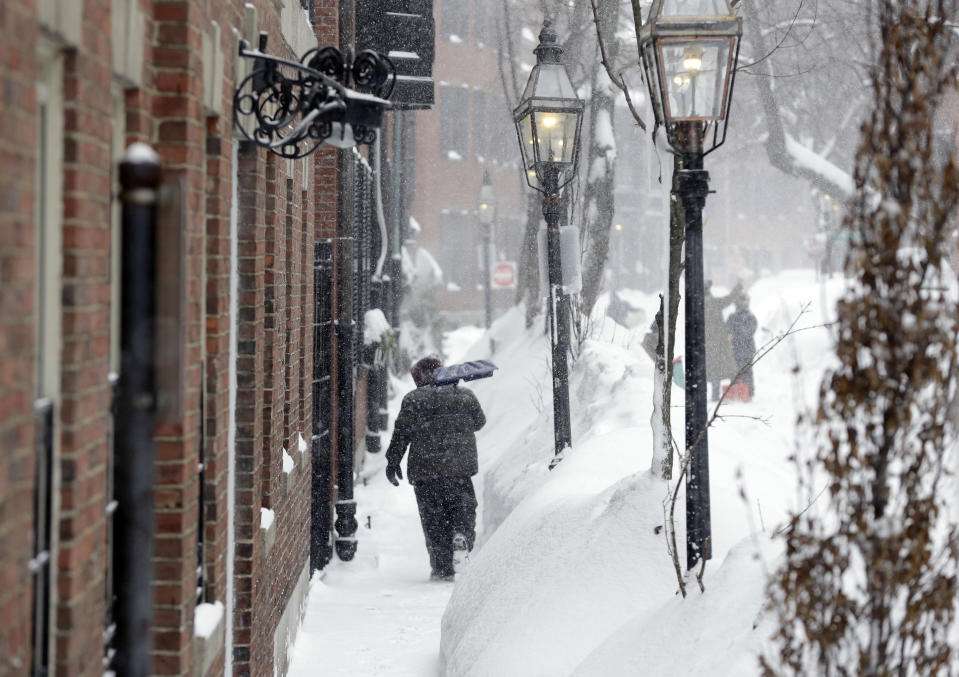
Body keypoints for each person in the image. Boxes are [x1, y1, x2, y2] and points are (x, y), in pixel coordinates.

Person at [385, 355, 487, 581]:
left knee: (434, 521)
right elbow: (479, 422)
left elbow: (401, 434)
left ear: (421, 378)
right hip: (459, 469)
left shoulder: (413, 400)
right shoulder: (465, 396)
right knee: (463, 509)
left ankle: (442, 567)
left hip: (426, 472)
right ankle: (461, 536)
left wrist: (393, 461)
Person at [704, 280, 741, 401]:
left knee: (714, 370)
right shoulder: (714, 302)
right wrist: (738, 286)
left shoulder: (697, 304)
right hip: (720, 341)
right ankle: (733, 393)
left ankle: (716, 395)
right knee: (730, 367)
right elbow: (729, 299)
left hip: (708, 343)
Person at [726, 293, 758, 398]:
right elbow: (727, 330)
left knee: (743, 371)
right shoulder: (733, 316)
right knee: (739, 371)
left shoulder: (750, 317)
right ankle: (741, 392)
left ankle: (746, 392)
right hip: (739, 348)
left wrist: (736, 331)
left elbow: (749, 331)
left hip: (744, 349)